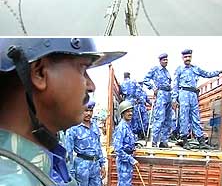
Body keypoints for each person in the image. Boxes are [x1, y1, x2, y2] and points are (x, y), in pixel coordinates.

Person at [0, 38, 125, 185]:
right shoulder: (14, 181)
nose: (91, 86)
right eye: (83, 69)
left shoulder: (39, 164)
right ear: (39, 73)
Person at [171, 49, 222, 149]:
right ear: (182, 58)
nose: (187, 59)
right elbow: (175, 85)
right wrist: (174, 99)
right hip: (183, 94)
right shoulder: (179, 69)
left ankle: (201, 141)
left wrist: (217, 72)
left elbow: (206, 74)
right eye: (185, 57)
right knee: (184, 117)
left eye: (189, 57)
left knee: (196, 117)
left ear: (191, 57)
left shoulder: (195, 68)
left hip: (193, 94)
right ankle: (185, 140)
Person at [65, 100, 106, 186]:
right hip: (81, 166)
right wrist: (71, 172)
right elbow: (69, 153)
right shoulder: (73, 128)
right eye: (86, 110)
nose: (89, 113)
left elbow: (98, 147)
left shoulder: (94, 126)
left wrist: (102, 164)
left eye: (91, 111)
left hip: (95, 165)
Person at [143, 53, 173, 148]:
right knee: (159, 119)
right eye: (164, 60)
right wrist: (153, 87)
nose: (166, 61)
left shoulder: (167, 72)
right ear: (160, 61)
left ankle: (164, 141)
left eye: (167, 60)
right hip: (161, 95)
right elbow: (146, 79)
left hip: (169, 95)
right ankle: (154, 142)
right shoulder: (155, 69)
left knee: (168, 120)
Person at [113, 100, 138, 186]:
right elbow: (118, 149)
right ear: (122, 113)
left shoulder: (128, 126)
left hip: (128, 160)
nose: (130, 113)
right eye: (127, 111)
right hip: (124, 161)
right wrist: (131, 159)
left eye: (131, 111)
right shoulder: (121, 128)